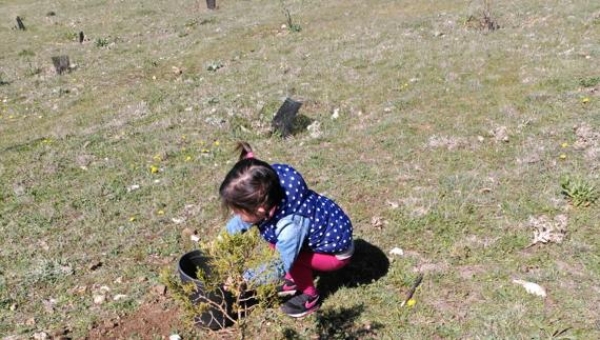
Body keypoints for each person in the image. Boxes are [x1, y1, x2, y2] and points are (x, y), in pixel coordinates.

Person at [220, 141, 354, 318]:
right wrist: (222, 241)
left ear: (260, 209)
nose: (235, 214)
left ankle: (309, 297)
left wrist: (244, 279)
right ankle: (293, 280)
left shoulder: (290, 226)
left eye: (238, 211)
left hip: (335, 254)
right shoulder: (267, 182)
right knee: (276, 244)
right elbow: (242, 221)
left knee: (291, 258)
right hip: (312, 235)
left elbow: (280, 264)